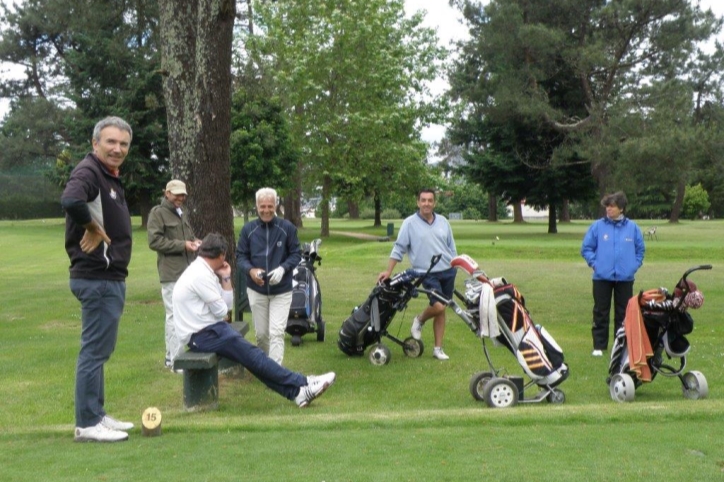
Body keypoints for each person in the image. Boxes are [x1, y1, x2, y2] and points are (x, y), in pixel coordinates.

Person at [173, 233, 335, 408]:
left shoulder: (202, 270)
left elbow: (225, 307)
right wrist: (222, 297)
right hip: (203, 334)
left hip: (209, 330)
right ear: (222, 255)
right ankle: (303, 382)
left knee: (252, 358)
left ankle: (297, 393)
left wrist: (226, 277)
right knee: (254, 357)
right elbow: (222, 312)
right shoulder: (200, 275)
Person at [61, 116, 136, 442]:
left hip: (106, 277)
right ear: (95, 144)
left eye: (123, 144)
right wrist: (91, 227)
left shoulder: (108, 175)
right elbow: (72, 200)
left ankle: (98, 415)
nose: (117, 149)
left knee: (99, 351)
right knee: (94, 352)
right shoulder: (89, 171)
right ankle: (88, 424)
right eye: (111, 142)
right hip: (97, 276)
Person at [377, 189, 458, 360]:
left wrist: (455, 264)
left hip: (448, 271)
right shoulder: (409, 223)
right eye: (423, 200)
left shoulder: (443, 221)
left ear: (434, 203)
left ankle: (438, 349)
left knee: (441, 311)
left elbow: (452, 248)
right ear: (418, 202)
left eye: (430, 200)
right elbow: (399, 248)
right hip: (427, 273)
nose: (426, 203)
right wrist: (388, 271)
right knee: (438, 306)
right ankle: (419, 320)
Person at [236, 187, 302, 365]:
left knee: (276, 332)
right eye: (262, 206)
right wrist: (251, 270)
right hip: (256, 289)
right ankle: (264, 366)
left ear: (276, 205)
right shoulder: (248, 229)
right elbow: (240, 256)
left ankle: (276, 373)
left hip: (281, 290)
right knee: (262, 334)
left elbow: (296, 253)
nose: (266, 210)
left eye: (270, 206)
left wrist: (283, 268)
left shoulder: (287, 228)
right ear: (256, 206)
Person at [581, 191, 645, 357]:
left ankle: (621, 346)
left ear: (621, 208)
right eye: (607, 206)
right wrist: (595, 264)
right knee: (601, 311)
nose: (608, 209)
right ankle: (599, 346)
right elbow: (586, 248)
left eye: (612, 206)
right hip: (602, 277)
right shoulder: (598, 226)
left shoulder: (633, 228)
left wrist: (633, 266)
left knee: (623, 313)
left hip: (625, 278)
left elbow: (640, 250)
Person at [147, 179, 200, 372]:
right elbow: (154, 242)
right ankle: (177, 362)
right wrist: (183, 245)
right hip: (171, 273)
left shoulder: (181, 213)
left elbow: (187, 237)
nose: (180, 198)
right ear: (166, 193)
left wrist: (195, 242)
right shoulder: (158, 213)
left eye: (183, 194)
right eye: (177, 194)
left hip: (187, 272)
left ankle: (171, 357)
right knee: (174, 316)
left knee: (183, 314)